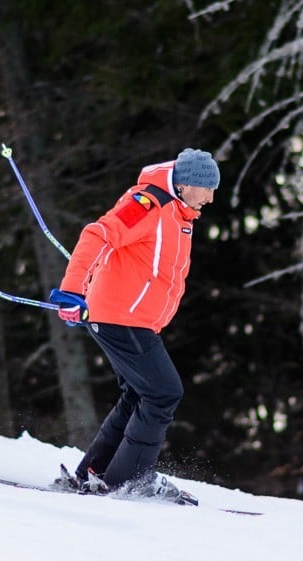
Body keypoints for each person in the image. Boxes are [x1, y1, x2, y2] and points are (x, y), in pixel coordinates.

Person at [48, 148, 220, 504]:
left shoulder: (177, 211)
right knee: (163, 392)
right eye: (208, 190)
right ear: (187, 184)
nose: (211, 198)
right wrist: (71, 292)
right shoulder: (149, 205)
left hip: (132, 320)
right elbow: (97, 235)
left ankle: (95, 474)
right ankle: (131, 481)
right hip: (121, 318)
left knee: (139, 395)